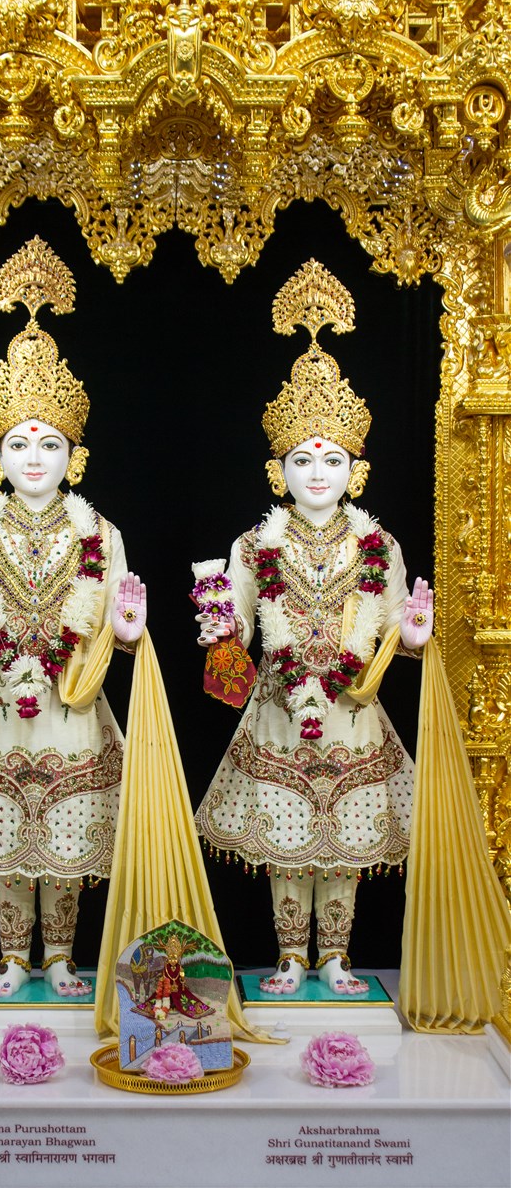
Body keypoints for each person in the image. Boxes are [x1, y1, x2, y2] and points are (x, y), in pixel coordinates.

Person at [0, 238, 146, 999]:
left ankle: (62, 958)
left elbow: (117, 625)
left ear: (75, 455)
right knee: (6, 825)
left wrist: (130, 629)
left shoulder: (99, 532)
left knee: (68, 830)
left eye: (49, 443)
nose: (34, 457)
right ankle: (13, 956)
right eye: (18, 444)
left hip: (72, 703)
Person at [193, 260, 433, 996]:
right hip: (278, 710)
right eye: (302, 459)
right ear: (279, 472)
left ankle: (336, 956)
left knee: (347, 840)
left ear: (356, 470)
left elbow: (397, 630)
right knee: (288, 838)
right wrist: (216, 622)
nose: (318, 472)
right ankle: (291, 955)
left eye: (332, 459)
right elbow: (234, 628)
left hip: (353, 712)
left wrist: (414, 635)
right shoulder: (253, 545)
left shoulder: (378, 545)